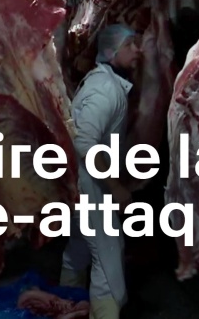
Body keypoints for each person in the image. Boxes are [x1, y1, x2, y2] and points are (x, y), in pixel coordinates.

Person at [60, 23, 142, 319]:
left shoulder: (101, 82)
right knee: (109, 265)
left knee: (79, 250)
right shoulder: (106, 90)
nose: (137, 50)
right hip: (91, 186)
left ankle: (65, 304)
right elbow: (84, 141)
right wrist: (115, 186)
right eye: (129, 45)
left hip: (81, 183)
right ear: (110, 52)